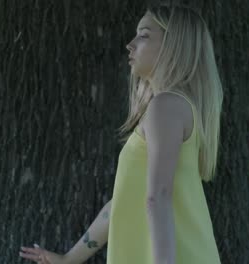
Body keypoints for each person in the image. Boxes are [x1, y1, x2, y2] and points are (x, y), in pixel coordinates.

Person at [19, 4, 223, 264]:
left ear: (174, 45)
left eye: (144, 35)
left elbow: (157, 197)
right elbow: (124, 202)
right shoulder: (170, 107)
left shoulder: (166, 107)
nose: (130, 44)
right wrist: (68, 259)